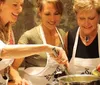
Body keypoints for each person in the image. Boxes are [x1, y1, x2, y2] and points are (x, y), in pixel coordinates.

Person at [0, 0, 68, 85]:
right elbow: (3, 52)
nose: (20, 9)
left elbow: (5, 66)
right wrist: (47, 48)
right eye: (15, 5)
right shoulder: (29, 36)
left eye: (21, 5)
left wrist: (19, 80)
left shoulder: (8, 30)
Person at [64, 0, 100, 74]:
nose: (86, 23)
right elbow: (64, 68)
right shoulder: (70, 36)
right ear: (76, 17)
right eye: (82, 18)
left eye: (91, 18)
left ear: (99, 16)